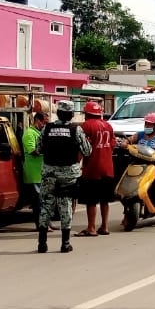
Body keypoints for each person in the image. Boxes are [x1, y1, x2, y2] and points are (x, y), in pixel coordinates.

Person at [37, 101, 91, 253]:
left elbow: (39, 148)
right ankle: (65, 244)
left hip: (49, 173)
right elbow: (87, 151)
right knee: (65, 206)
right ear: (72, 115)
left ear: (58, 113)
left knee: (46, 205)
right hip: (68, 175)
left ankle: (42, 244)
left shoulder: (47, 128)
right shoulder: (76, 129)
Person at [78, 101, 115, 237]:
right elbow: (112, 144)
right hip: (108, 167)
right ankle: (104, 226)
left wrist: (77, 163)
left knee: (91, 200)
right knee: (105, 199)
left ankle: (91, 228)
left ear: (87, 114)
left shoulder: (86, 126)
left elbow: (82, 148)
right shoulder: (108, 126)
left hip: (92, 168)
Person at [22, 111, 47, 229]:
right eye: (43, 122)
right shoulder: (29, 134)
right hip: (33, 173)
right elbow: (32, 150)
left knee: (44, 201)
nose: (44, 125)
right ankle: (40, 225)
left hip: (41, 172)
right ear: (38, 121)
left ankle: (46, 223)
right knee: (38, 202)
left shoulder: (39, 133)